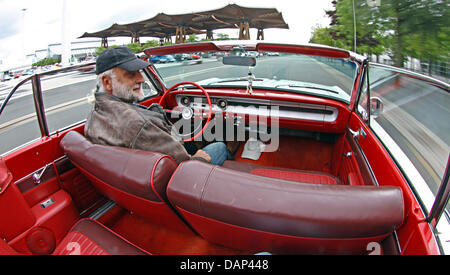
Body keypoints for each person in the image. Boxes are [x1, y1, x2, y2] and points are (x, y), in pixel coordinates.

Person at [85, 46, 233, 165]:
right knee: (219, 146)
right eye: (131, 74)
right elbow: (185, 164)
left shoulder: (94, 115)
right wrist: (199, 159)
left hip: (141, 172)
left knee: (190, 144)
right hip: (182, 176)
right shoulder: (139, 124)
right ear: (107, 82)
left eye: (139, 72)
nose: (141, 79)